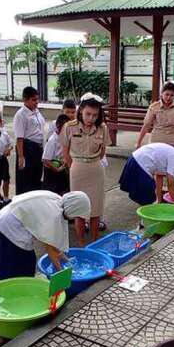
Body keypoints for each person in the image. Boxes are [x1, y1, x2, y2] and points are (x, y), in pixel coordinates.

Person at [0, 191, 90, 286]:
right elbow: (50, 248)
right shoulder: (54, 215)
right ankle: (12, 294)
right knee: (23, 268)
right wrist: (62, 273)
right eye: (76, 216)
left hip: (3, 218)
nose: (74, 219)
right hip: (13, 229)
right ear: (73, 209)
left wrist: (66, 260)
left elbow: (52, 244)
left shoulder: (56, 199)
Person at [63, 93, 107, 246]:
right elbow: (65, 153)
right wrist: (75, 167)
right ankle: (81, 243)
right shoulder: (69, 127)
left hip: (96, 170)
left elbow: (102, 153)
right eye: (88, 114)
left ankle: (94, 242)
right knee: (79, 210)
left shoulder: (102, 128)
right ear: (80, 110)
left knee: (95, 210)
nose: (91, 118)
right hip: (77, 171)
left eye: (95, 115)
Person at [119, 142, 174, 206]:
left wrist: (159, 200)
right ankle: (147, 217)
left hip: (134, 159)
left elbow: (160, 176)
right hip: (140, 164)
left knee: (147, 194)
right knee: (148, 195)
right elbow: (171, 183)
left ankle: (147, 213)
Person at [134, 82, 174, 148]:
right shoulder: (154, 107)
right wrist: (138, 142)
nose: (168, 97)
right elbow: (146, 125)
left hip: (173, 141)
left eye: (172, 95)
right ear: (162, 94)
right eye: (166, 94)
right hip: (156, 140)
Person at [14, 86, 45, 194]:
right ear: (25, 100)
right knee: (25, 179)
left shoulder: (36, 112)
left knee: (36, 177)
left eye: (37, 99)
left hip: (38, 148)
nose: (36, 102)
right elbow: (19, 137)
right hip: (27, 148)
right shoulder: (20, 115)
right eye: (33, 100)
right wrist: (21, 156)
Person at [42, 114, 70, 195]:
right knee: (52, 195)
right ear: (58, 126)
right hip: (52, 172)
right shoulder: (52, 140)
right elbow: (46, 160)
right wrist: (57, 169)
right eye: (65, 128)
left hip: (61, 169)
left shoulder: (65, 138)